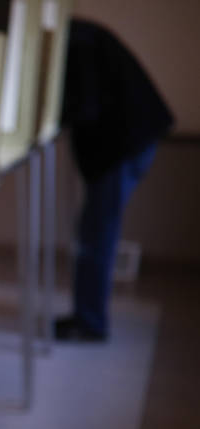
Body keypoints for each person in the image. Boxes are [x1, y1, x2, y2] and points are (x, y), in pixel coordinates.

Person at [55, 18, 173, 342]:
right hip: (130, 140)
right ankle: (88, 317)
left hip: (123, 144)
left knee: (97, 234)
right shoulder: (79, 36)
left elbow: (85, 106)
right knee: (96, 232)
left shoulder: (76, 43)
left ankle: (90, 322)